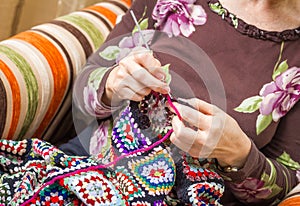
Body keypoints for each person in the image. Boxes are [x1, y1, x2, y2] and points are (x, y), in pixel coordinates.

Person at [60, 0, 300, 205]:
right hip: (86, 165)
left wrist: (239, 155)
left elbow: (288, 188)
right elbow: (82, 93)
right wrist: (111, 85)